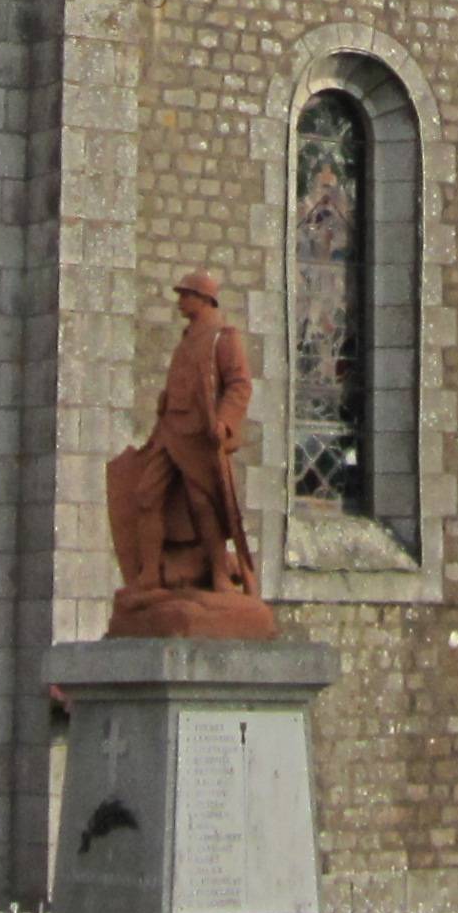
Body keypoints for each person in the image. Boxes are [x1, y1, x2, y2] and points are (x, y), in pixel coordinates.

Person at [105, 269, 275, 639]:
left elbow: (239, 385)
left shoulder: (222, 338)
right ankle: (149, 574)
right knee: (147, 495)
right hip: (169, 432)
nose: (180, 301)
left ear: (203, 299)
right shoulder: (187, 339)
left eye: (186, 295)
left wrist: (226, 422)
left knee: (204, 506)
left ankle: (218, 572)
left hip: (199, 436)